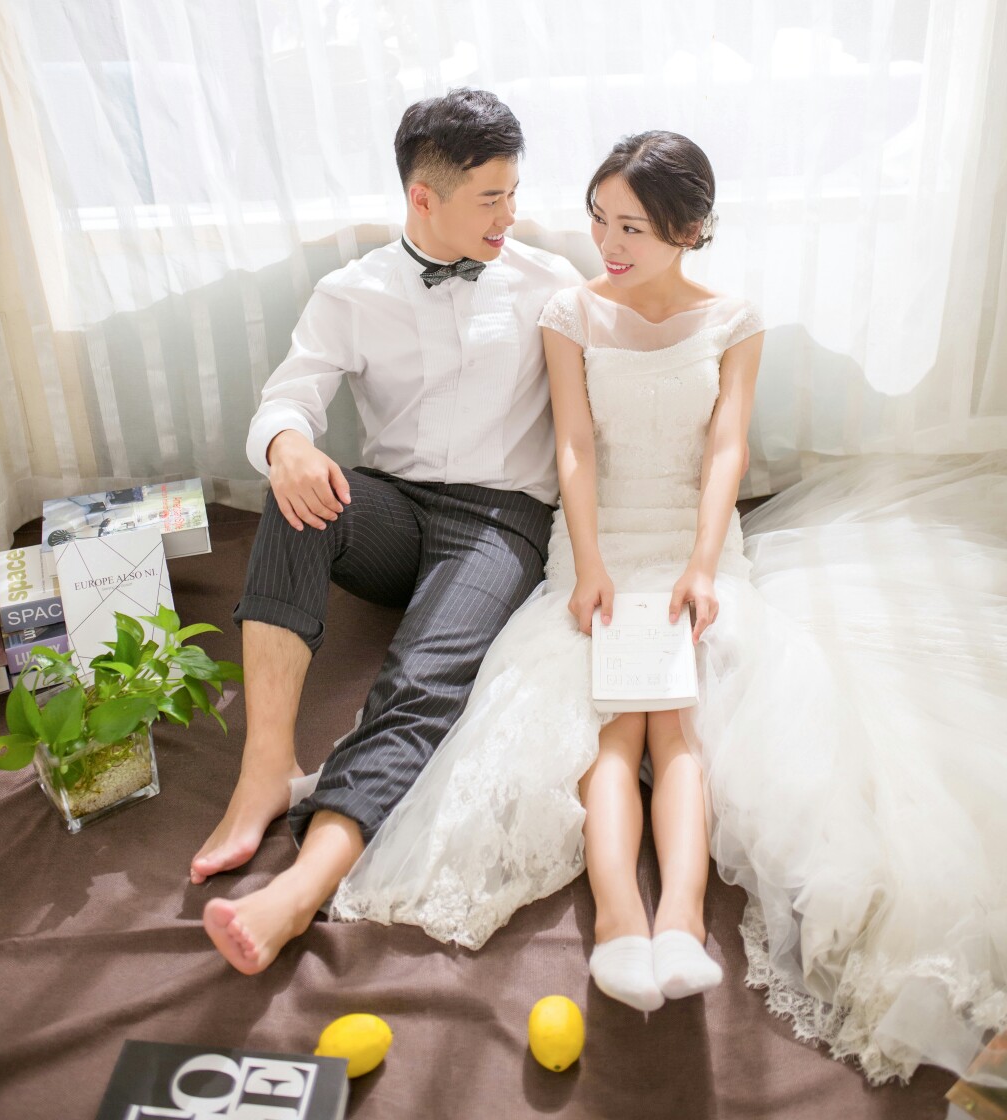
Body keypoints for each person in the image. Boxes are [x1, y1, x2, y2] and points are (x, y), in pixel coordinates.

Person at [332, 131, 1007, 1085]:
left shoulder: (734, 319)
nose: (608, 243)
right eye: (600, 219)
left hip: (695, 542)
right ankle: (618, 928)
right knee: (615, 728)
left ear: (689, 231)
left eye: (632, 228)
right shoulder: (571, 312)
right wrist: (588, 565)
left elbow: (727, 448)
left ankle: (682, 924)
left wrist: (702, 565)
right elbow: (573, 447)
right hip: (601, 541)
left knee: (677, 725)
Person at [193, 87, 580, 973]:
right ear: (422, 197)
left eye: (514, 194)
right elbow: (288, 399)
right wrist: (289, 446)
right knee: (296, 496)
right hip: (394, 511)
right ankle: (264, 768)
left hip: (498, 524)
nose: (510, 216)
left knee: (419, 678)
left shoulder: (550, 286)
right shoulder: (351, 292)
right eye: (491, 198)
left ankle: (300, 889)